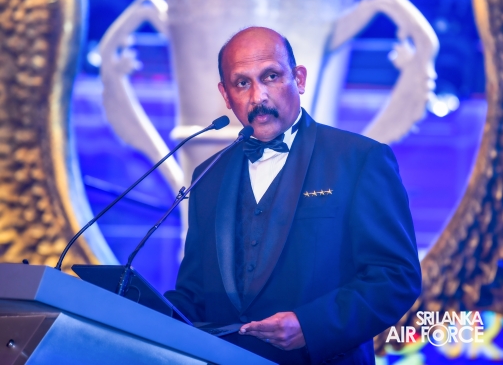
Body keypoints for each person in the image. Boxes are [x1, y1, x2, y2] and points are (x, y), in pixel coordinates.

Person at [165, 27, 421, 364]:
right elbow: (194, 293)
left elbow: (395, 276)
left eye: (270, 76)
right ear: (225, 95)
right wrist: (138, 309)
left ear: (298, 79)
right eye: (242, 83)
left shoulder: (360, 159)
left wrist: (311, 326)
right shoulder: (208, 175)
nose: (258, 97)